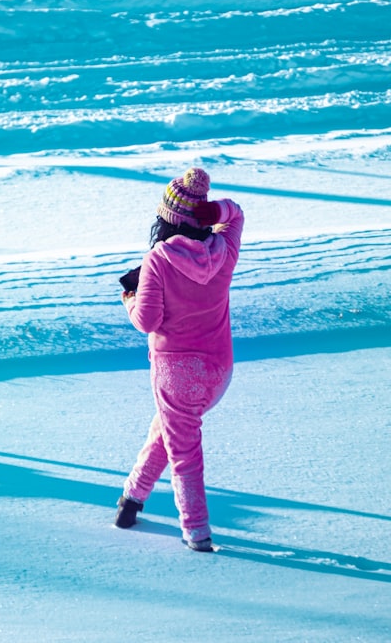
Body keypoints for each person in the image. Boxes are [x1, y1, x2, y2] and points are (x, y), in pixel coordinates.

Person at [114, 167, 244, 552]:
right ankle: (131, 499)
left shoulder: (158, 260)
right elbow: (236, 214)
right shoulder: (224, 251)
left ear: (165, 219)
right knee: (168, 432)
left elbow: (147, 321)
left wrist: (129, 298)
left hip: (177, 373)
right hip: (218, 370)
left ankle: (197, 534)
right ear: (203, 218)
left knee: (185, 454)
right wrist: (216, 211)